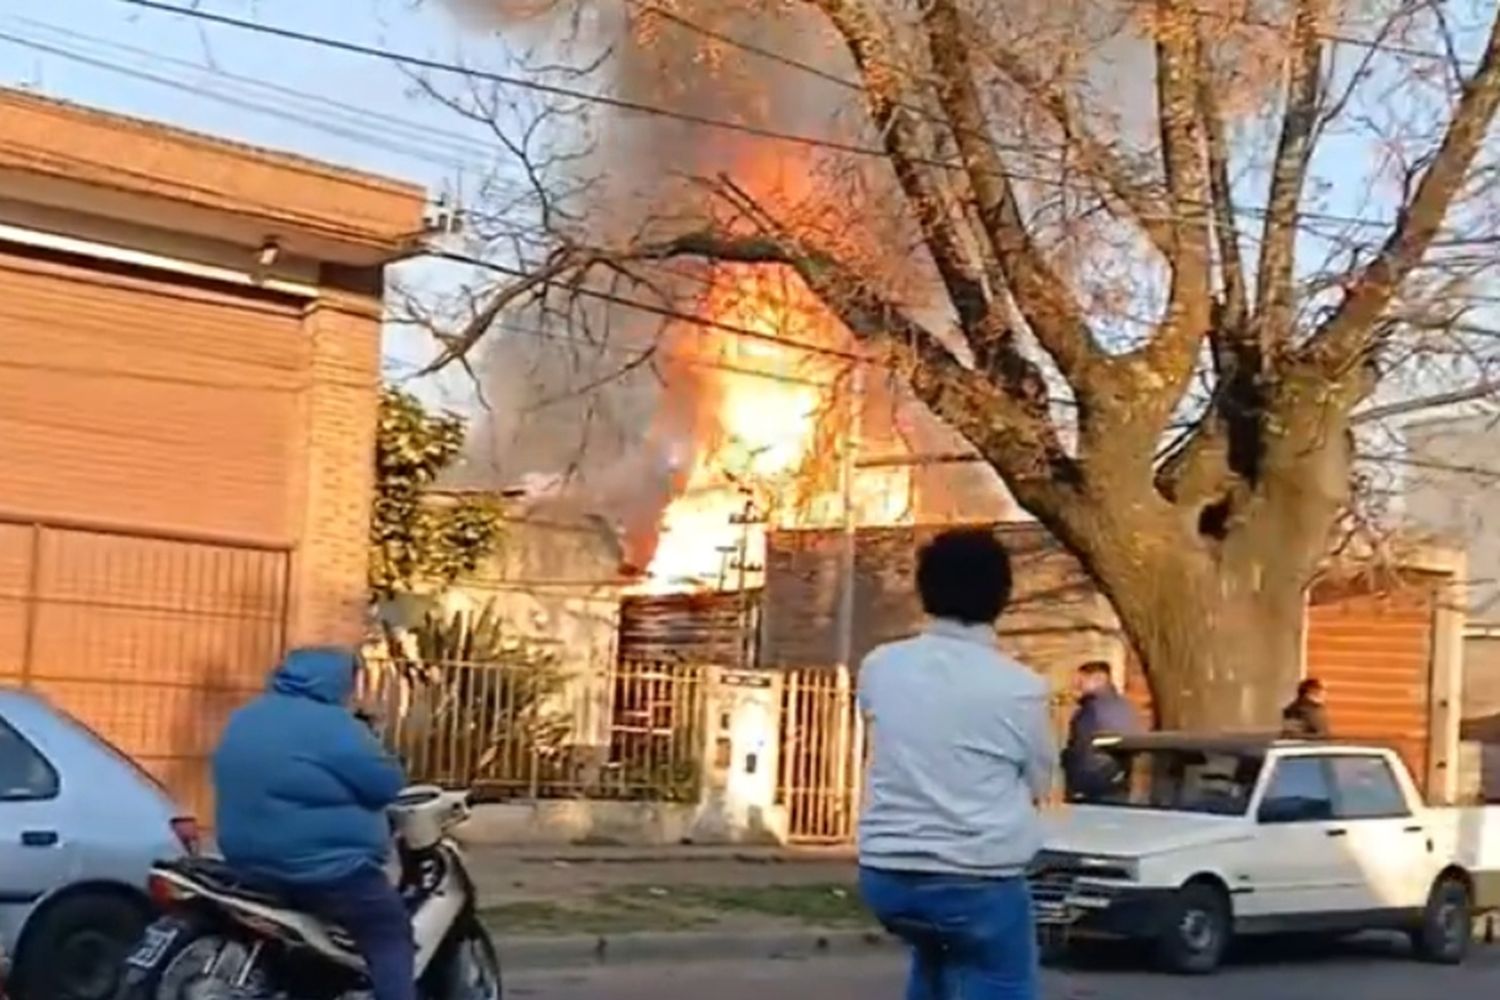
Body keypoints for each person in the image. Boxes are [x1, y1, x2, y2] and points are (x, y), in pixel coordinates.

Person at [857, 528, 1054, 1000]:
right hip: (976, 880)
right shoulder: (1021, 687)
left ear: (924, 590)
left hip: (886, 874)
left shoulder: (880, 666)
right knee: (998, 968)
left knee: (938, 954)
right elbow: (1041, 781)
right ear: (1002, 597)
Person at [213, 647, 411, 1000]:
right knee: (388, 931)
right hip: (325, 868)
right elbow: (386, 783)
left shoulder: (246, 717)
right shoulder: (334, 727)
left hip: (246, 859)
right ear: (335, 682)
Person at [1061, 660, 1142, 800]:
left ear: (1099, 679)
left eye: (1082, 681)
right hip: (1119, 783)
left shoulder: (1092, 711)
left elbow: (1083, 749)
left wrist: (1067, 760)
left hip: (1094, 785)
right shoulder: (1125, 707)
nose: (1078, 687)